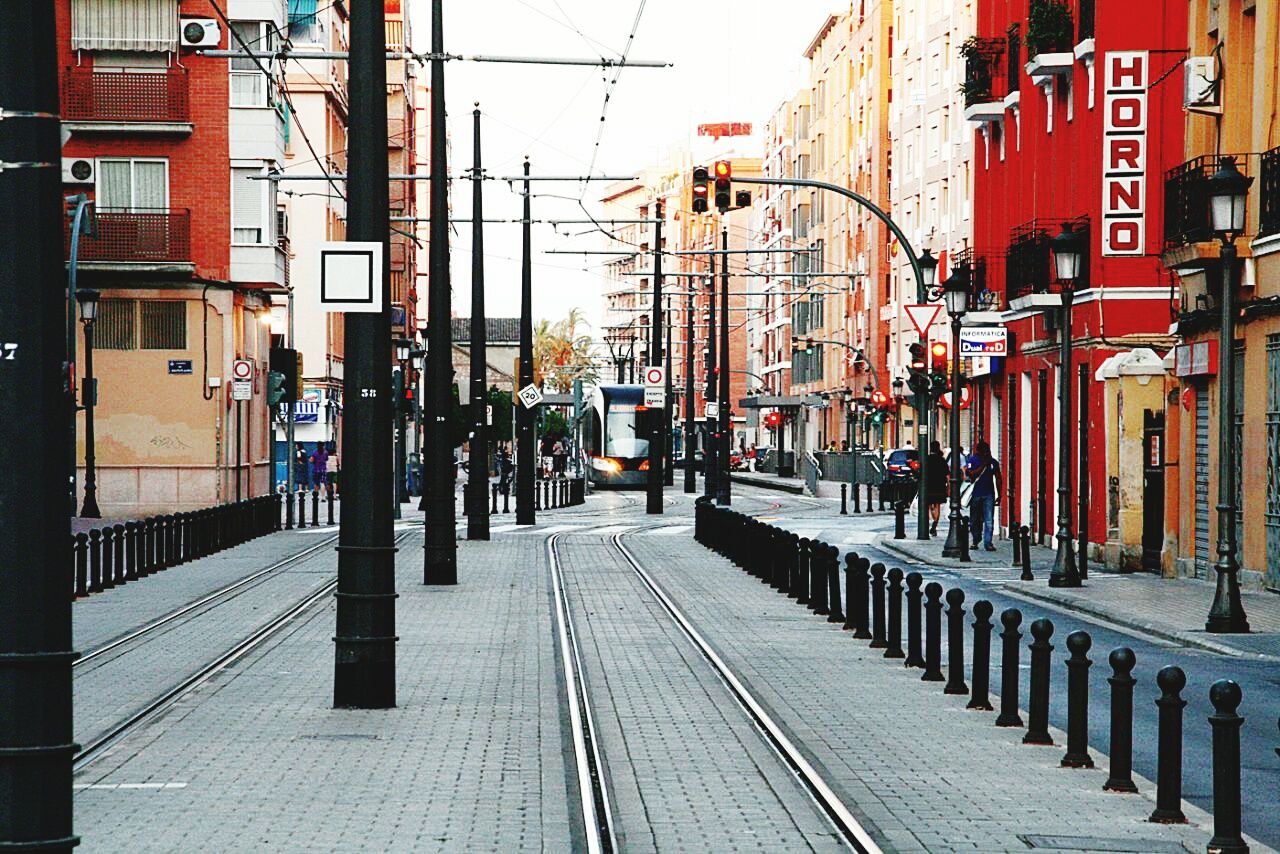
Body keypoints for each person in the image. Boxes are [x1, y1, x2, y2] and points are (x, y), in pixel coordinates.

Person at [965, 439, 1000, 551]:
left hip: (989, 494)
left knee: (989, 519)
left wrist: (1000, 494)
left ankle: (988, 542)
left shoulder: (993, 462)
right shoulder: (973, 460)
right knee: (974, 519)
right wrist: (983, 465)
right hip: (975, 494)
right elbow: (970, 474)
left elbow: (998, 478)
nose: (986, 453)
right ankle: (976, 539)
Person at [925, 441, 948, 535]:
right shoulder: (942, 460)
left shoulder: (927, 459)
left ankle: (931, 521)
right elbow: (947, 475)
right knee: (937, 505)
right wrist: (949, 487)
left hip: (929, 485)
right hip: (940, 485)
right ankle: (935, 524)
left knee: (929, 505)